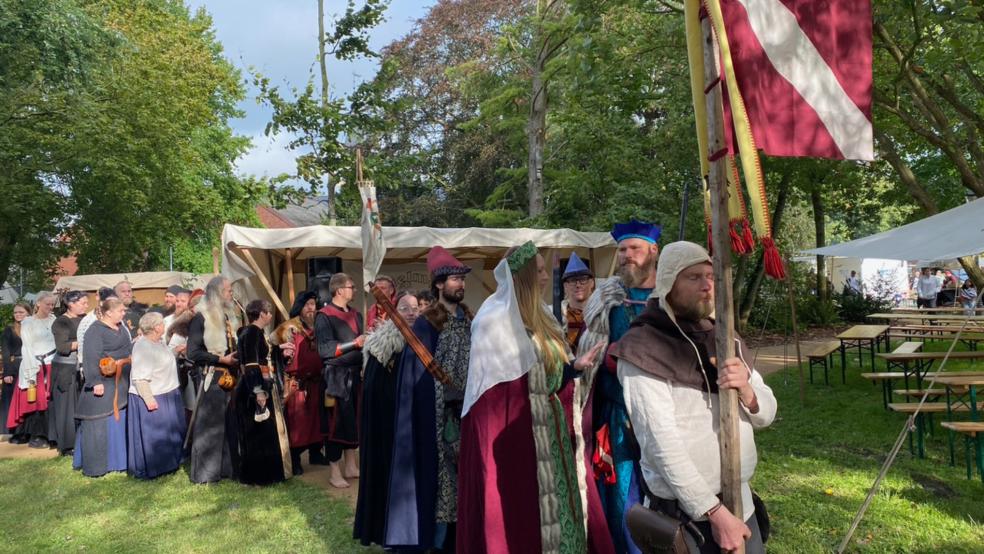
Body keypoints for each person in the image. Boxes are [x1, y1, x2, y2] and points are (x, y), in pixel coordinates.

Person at [611, 241, 777, 553]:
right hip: (690, 518)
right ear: (668, 283)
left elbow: (767, 414)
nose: (706, 286)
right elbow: (660, 445)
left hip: (743, 503)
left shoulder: (725, 337)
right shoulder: (642, 347)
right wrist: (714, 514)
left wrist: (748, 390)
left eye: (710, 276)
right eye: (693, 277)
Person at [458, 242, 614, 553]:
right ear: (525, 276)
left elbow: (549, 372)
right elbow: (497, 398)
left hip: (552, 434)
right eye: (540, 271)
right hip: (520, 440)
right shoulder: (494, 323)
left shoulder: (542, 316)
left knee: (561, 513)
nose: (546, 277)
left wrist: (574, 368)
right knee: (525, 516)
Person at [578, 219, 661, 553]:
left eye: (635, 249)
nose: (628, 256)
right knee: (621, 497)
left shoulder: (669, 295)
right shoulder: (607, 299)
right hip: (617, 418)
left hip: (664, 413)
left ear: (653, 250)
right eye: (623, 250)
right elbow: (591, 351)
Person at [386, 246, 473, 551]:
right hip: (437, 419)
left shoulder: (470, 318)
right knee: (440, 484)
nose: (460, 284)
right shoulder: (426, 324)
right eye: (453, 279)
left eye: (462, 278)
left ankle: (460, 540)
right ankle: (435, 544)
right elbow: (414, 380)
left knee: (464, 480)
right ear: (439, 284)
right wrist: (442, 403)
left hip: (467, 410)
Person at [354, 291, 419, 547]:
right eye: (405, 308)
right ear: (394, 311)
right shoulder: (382, 344)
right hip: (388, 426)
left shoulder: (424, 340)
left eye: (415, 308)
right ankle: (386, 532)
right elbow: (374, 391)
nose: (412, 312)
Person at [186, 276, 241, 484]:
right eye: (228, 290)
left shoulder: (228, 316)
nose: (231, 294)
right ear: (217, 292)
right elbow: (193, 352)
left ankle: (226, 469)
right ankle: (206, 474)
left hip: (229, 374)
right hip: (211, 374)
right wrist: (220, 358)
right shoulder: (201, 317)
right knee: (209, 424)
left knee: (227, 423)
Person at [315, 272, 365, 489]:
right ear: (339, 290)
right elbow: (325, 350)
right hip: (334, 378)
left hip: (354, 375)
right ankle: (335, 472)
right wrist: (355, 343)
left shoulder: (356, 314)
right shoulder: (323, 316)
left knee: (353, 421)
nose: (353, 289)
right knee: (335, 424)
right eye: (350, 286)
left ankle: (351, 466)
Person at [75, 297, 132, 477]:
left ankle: (120, 460)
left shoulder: (121, 327)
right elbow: (90, 357)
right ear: (108, 312)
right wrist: (95, 381)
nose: (124, 313)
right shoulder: (95, 331)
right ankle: (99, 465)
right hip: (104, 380)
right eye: (121, 311)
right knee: (100, 420)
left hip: (122, 379)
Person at [235, 299, 290, 485]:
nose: (270, 315)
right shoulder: (252, 333)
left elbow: (262, 355)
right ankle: (261, 476)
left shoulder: (253, 332)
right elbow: (251, 364)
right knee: (258, 431)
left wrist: (280, 349)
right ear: (262, 314)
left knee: (263, 430)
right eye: (268, 312)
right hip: (254, 388)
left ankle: (265, 474)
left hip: (257, 386)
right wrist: (258, 391)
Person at [127, 312, 187, 479]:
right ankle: (157, 467)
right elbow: (140, 378)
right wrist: (148, 399)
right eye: (161, 323)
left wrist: (176, 350)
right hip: (154, 395)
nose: (164, 326)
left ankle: (172, 463)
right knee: (156, 433)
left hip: (168, 391)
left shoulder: (158, 342)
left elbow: (163, 358)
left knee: (171, 430)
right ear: (155, 327)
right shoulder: (142, 347)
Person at [275, 291, 327, 476]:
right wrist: (281, 354)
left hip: (317, 382)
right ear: (300, 306)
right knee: (298, 424)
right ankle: (295, 459)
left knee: (318, 420)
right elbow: (271, 348)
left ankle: (316, 453)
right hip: (297, 385)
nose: (311, 308)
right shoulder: (288, 327)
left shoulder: (320, 327)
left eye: (313, 304)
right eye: (307, 304)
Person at [7, 292, 57, 449]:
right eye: (47, 304)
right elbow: (27, 346)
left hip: (51, 363)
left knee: (50, 401)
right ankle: (36, 435)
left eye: (52, 304)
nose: (50, 307)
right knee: (35, 400)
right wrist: (32, 370)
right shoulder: (28, 322)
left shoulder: (54, 320)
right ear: (38, 304)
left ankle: (51, 435)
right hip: (34, 364)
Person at [49, 290, 87, 455]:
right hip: (65, 370)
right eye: (83, 302)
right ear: (71, 304)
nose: (86, 305)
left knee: (78, 406)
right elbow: (63, 347)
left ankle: (80, 439)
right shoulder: (61, 322)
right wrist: (86, 341)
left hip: (80, 368)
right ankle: (67, 445)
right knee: (66, 409)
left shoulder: (85, 319)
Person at [1, 302, 30, 442]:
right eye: (16, 312)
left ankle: (27, 430)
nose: (18, 315)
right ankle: (11, 431)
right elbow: (6, 352)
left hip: (30, 365)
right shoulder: (9, 330)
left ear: (28, 313)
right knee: (11, 399)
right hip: (14, 366)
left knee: (26, 399)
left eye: (21, 312)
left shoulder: (32, 328)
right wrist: (6, 373)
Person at [562, 251, 596, 352]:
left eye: (583, 279)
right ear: (565, 286)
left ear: (592, 283)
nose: (578, 285)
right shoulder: (556, 317)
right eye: (572, 280)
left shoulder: (602, 314)